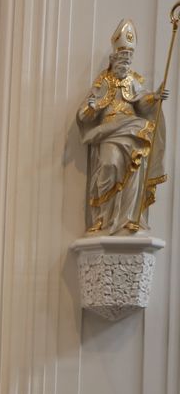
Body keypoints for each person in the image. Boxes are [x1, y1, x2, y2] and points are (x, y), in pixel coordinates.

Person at [76, 18, 169, 235]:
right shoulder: (103, 82)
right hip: (109, 131)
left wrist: (155, 96)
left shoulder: (133, 81)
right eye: (122, 57)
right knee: (109, 165)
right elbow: (85, 113)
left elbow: (142, 102)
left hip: (131, 129)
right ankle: (105, 219)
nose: (125, 62)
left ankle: (128, 218)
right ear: (113, 57)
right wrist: (92, 108)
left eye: (128, 58)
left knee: (136, 166)